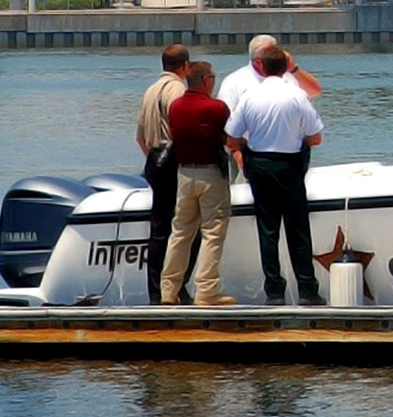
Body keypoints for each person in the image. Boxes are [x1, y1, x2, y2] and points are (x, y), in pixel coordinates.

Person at [225, 46, 325, 305]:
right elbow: (315, 137)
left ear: (261, 66)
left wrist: (248, 148)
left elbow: (231, 138)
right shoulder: (297, 95)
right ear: (284, 67)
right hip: (290, 166)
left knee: (268, 231)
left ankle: (274, 291)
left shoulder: (250, 96)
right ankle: (307, 289)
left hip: (259, 166)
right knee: (298, 230)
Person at [159, 60, 234, 306]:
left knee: (180, 233)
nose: (214, 82)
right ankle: (207, 290)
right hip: (211, 173)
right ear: (205, 80)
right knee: (212, 233)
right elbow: (229, 138)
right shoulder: (217, 108)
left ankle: (168, 291)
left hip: (184, 174)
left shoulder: (176, 106)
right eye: (212, 77)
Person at [135, 43, 191, 304]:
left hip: (154, 160)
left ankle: (155, 292)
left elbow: (140, 137)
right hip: (173, 162)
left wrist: (153, 158)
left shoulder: (149, 91)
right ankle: (176, 287)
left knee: (158, 230)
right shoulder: (178, 89)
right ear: (185, 66)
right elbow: (182, 130)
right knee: (183, 228)